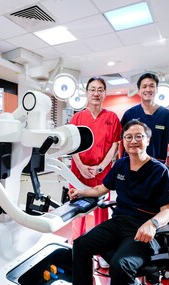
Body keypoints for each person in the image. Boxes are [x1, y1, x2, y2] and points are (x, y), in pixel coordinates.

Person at [69, 120, 169, 285]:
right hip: (119, 222)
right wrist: (81, 192)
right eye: (128, 137)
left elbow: (168, 211)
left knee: (120, 265)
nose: (133, 141)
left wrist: (153, 224)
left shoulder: (159, 171)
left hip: (142, 229)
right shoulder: (121, 165)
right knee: (80, 245)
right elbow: (102, 189)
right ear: (124, 142)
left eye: (138, 137)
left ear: (148, 140)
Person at [68, 77, 121, 243]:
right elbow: (72, 146)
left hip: (102, 174)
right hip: (78, 173)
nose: (96, 93)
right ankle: (76, 245)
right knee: (77, 212)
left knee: (101, 212)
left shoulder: (112, 118)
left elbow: (114, 145)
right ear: (86, 93)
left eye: (100, 90)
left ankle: (102, 250)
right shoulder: (77, 118)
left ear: (105, 93)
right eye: (92, 89)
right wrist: (81, 166)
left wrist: (100, 167)